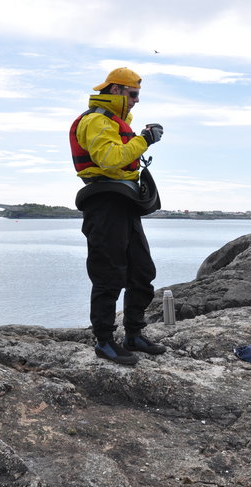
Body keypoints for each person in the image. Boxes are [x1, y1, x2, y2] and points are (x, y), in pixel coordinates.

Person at [69, 67, 166, 365]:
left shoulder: (112, 122)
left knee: (141, 271)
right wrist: (145, 140)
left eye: (138, 95)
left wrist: (138, 138)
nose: (136, 100)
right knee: (108, 274)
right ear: (116, 91)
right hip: (104, 203)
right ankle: (104, 341)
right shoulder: (96, 120)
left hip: (124, 202)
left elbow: (119, 154)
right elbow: (110, 160)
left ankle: (134, 334)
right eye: (133, 94)